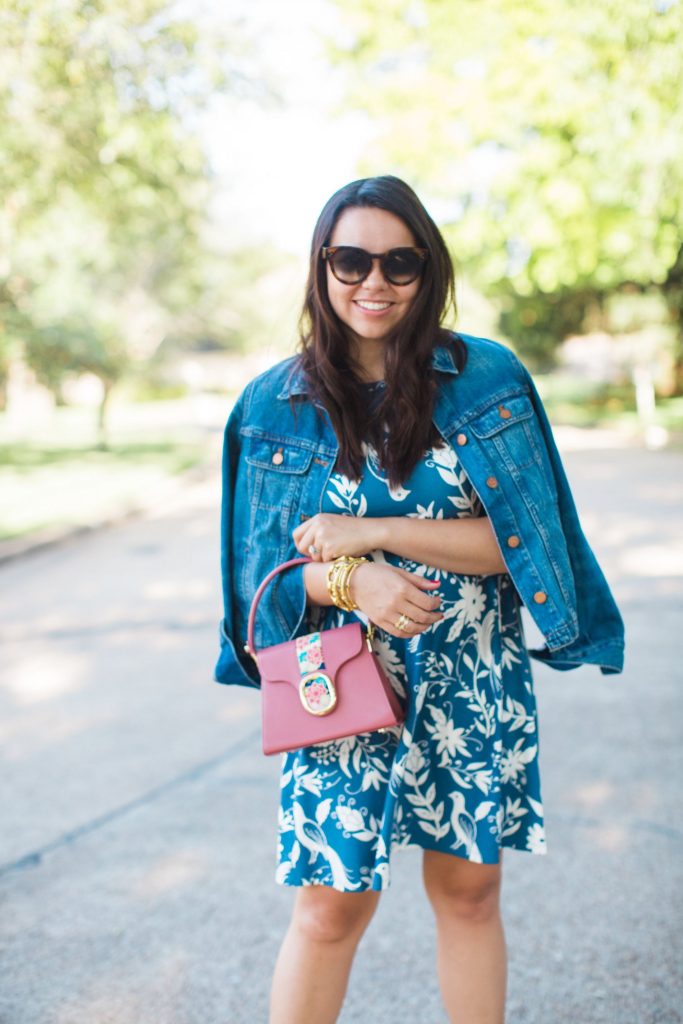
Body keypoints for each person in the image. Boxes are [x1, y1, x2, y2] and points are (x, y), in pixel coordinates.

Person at [215, 175, 624, 1024]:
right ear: (321, 268)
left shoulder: (485, 380)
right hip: (335, 687)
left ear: (427, 269)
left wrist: (373, 536)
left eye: (399, 262)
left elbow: (527, 549)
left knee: (470, 896)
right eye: (350, 260)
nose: (374, 282)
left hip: (472, 678)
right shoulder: (270, 405)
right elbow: (256, 589)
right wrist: (345, 581)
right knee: (329, 910)